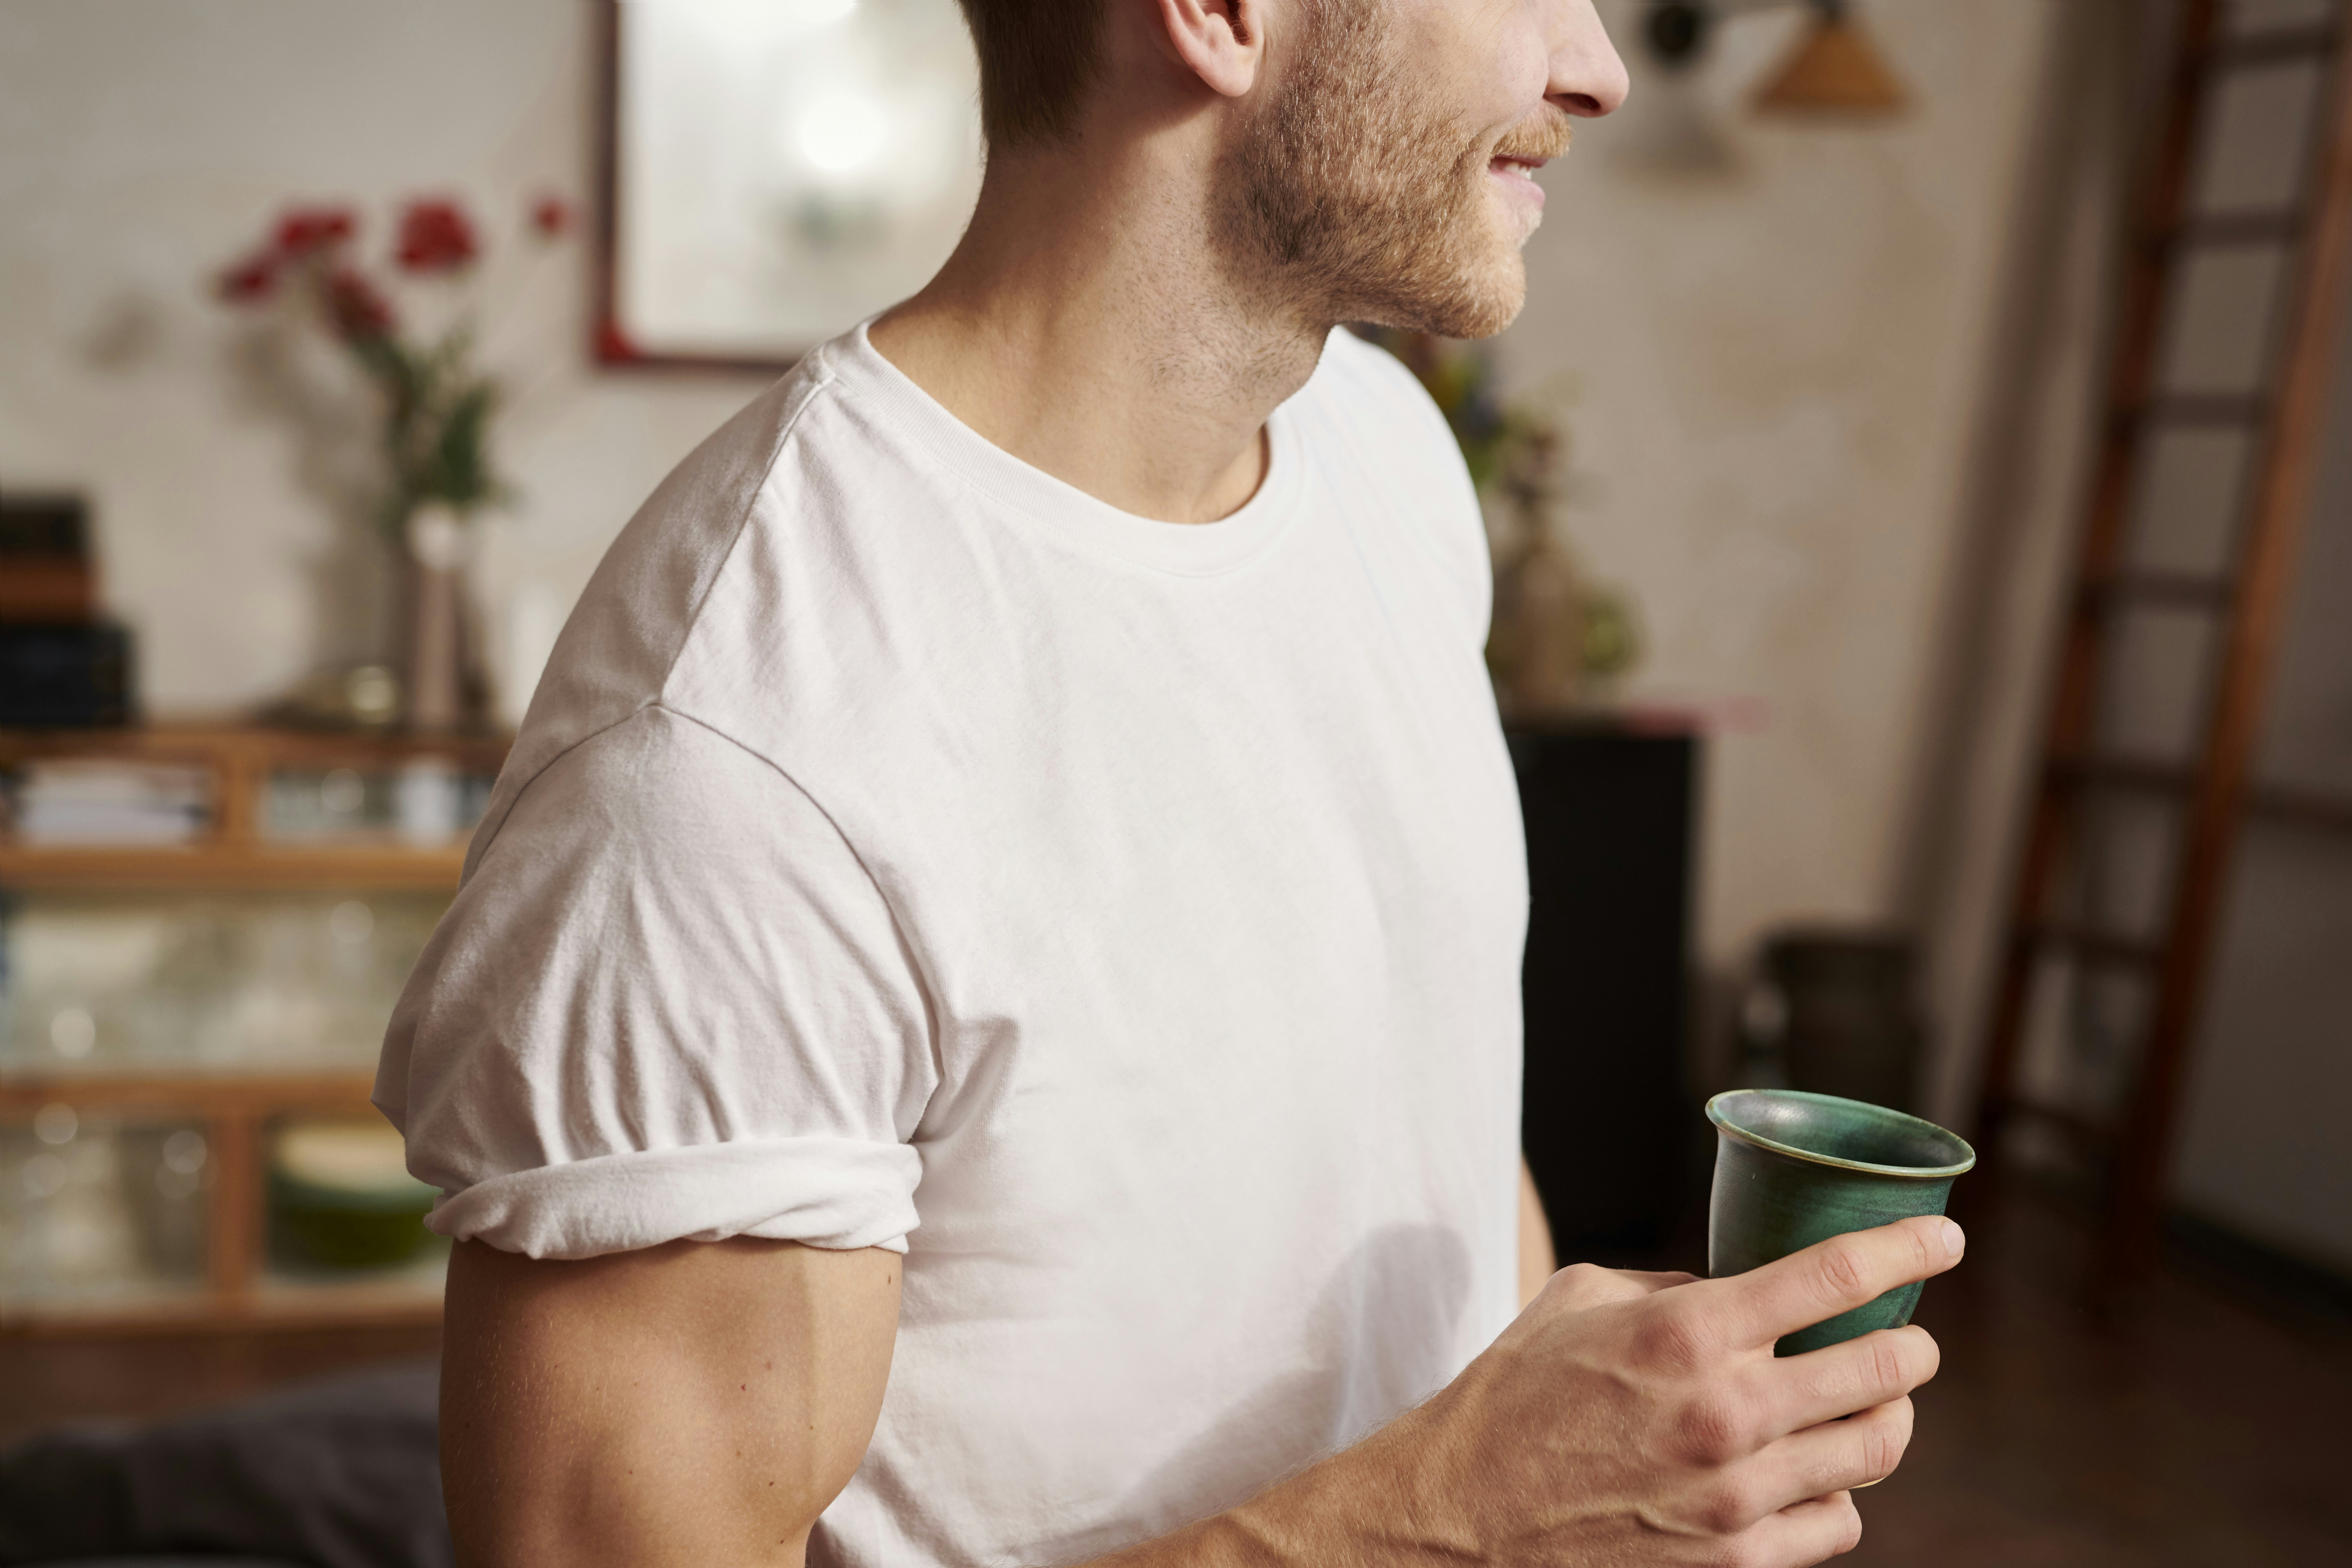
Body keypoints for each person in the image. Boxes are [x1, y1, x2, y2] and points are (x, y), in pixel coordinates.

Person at [375, 1, 1960, 1565]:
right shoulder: (729, 765)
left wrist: (1584, 1460)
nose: (1597, 68)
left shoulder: (1379, 454)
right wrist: (1452, 1517)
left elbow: (1430, 1121)